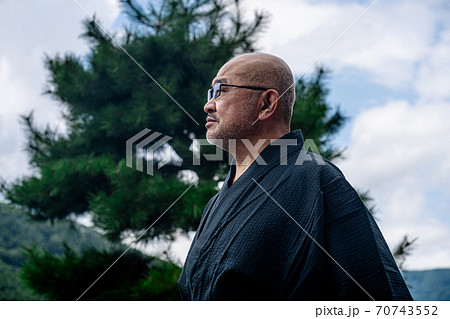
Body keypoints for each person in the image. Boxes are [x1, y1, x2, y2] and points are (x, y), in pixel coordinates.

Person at [177, 52, 412, 300]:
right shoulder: (216, 203)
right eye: (209, 94)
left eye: (220, 90)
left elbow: (374, 294)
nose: (208, 105)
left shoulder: (317, 179)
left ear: (266, 104)